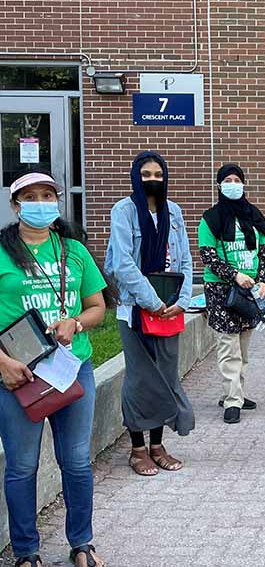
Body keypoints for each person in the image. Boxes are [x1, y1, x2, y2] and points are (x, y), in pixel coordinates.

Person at [0, 170, 115, 567]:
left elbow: (98, 306)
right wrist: (3, 363)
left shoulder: (74, 250)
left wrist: (76, 323)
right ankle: (26, 551)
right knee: (21, 465)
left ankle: (82, 542)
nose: (40, 202)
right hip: (19, 375)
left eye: (48, 194)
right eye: (30, 196)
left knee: (78, 461)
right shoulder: (0, 251)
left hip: (72, 368)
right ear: (16, 205)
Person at [105, 151, 195, 476]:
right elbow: (122, 263)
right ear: (135, 176)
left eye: (158, 173)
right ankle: (137, 448)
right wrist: (151, 299)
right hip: (137, 310)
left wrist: (181, 300)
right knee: (140, 378)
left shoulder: (174, 212)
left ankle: (157, 445)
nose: (153, 179)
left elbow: (185, 260)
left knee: (165, 376)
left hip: (170, 310)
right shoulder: (124, 211)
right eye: (146, 174)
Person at [198, 164, 265, 425]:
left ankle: (236, 392)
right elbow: (208, 255)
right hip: (222, 290)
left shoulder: (253, 216)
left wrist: (264, 281)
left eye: (237, 179)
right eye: (227, 180)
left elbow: (264, 251)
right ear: (219, 186)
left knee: (243, 346)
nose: (233, 184)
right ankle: (231, 401)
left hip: (250, 290)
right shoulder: (210, 218)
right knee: (228, 346)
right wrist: (234, 275)